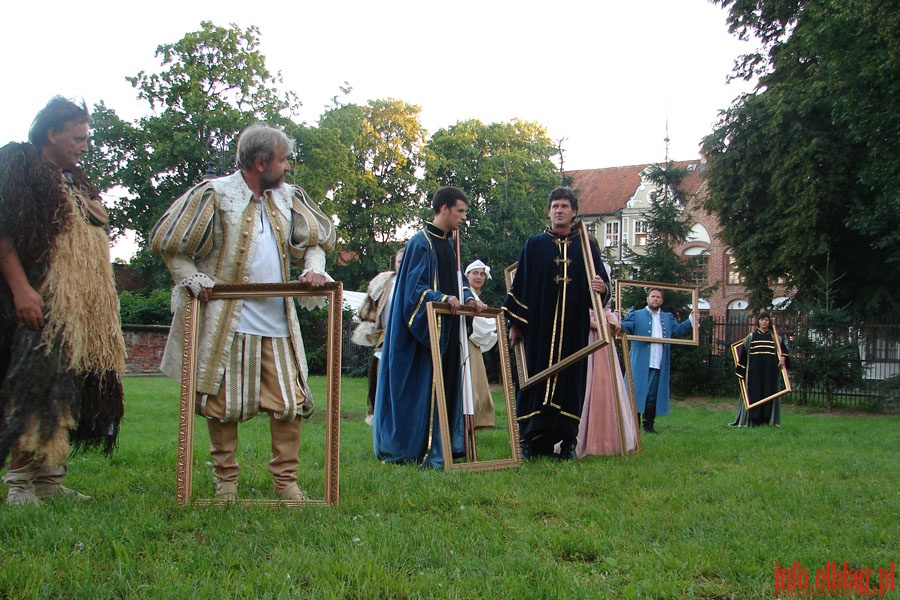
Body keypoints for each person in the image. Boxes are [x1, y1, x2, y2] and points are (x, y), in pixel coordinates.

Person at [151, 124, 335, 501]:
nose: (287, 168)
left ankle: (286, 482)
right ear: (259, 161)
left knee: (288, 404)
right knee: (222, 406)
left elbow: (314, 242)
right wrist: (193, 279)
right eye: (282, 160)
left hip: (277, 321)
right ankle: (226, 483)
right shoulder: (216, 195)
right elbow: (172, 247)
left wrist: (314, 268)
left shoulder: (288, 198)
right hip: (226, 322)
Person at [0, 96, 126, 505]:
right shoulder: (19, 165)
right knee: (32, 386)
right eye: (78, 138)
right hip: (39, 300)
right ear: (51, 133)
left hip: (76, 310)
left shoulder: (74, 179)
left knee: (63, 390)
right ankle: (19, 483)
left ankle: (50, 480)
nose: (85, 146)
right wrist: (22, 290)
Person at [373, 186, 486, 468]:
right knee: (420, 392)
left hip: (445, 331)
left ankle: (444, 446)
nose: (463, 218)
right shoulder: (420, 243)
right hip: (420, 338)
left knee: (445, 388)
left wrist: (469, 298)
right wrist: (441, 298)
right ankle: (416, 449)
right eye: (460, 211)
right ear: (444, 208)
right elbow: (414, 292)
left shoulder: (448, 245)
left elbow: (457, 283)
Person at [503, 187, 610, 460]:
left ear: (574, 212)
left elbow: (599, 290)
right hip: (539, 328)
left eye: (564, 206)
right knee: (533, 383)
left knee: (570, 384)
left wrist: (601, 288)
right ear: (549, 211)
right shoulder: (534, 245)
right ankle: (529, 442)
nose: (559, 210)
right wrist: (516, 323)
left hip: (572, 331)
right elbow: (522, 285)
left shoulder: (586, 247)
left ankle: (568, 444)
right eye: (555, 206)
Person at [575, 264, 639, 456]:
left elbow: (606, 305)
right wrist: (594, 323)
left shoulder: (604, 270)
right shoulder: (574, 267)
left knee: (604, 384)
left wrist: (612, 322)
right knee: (583, 381)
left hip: (603, 337)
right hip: (584, 333)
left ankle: (606, 438)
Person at [621, 287, 692, 434]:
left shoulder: (667, 317)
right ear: (648, 299)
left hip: (658, 361)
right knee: (636, 393)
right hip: (639, 362)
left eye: (658, 297)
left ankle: (648, 426)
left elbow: (676, 332)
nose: (655, 299)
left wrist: (691, 320)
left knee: (652, 395)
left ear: (662, 301)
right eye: (653, 296)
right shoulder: (636, 314)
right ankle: (634, 427)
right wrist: (616, 322)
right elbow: (626, 329)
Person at [351, 248, 404, 426]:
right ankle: (383, 422)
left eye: (406, 260)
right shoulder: (385, 281)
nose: (402, 264)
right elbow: (370, 307)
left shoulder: (419, 282)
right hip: (385, 338)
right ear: (394, 263)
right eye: (399, 261)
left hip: (409, 338)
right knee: (382, 383)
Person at [731, 312, 788, 427]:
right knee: (755, 393)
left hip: (769, 373)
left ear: (769, 322)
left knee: (768, 393)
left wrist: (783, 358)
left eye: (766, 320)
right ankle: (753, 419)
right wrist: (740, 371)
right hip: (754, 373)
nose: (764, 322)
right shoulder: (751, 337)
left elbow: (784, 351)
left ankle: (767, 419)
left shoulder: (776, 338)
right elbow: (744, 355)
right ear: (758, 322)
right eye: (762, 320)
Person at [464, 259, 498, 429]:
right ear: (467, 275)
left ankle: (477, 421)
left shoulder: (475, 296)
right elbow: (477, 323)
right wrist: (496, 324)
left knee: (477, 382)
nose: (478, 277)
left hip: (472, 343)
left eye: (482, 274)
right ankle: (471, 421)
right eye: (475, 273)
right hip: (466, 342)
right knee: (471, 383)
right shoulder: (466, 294)